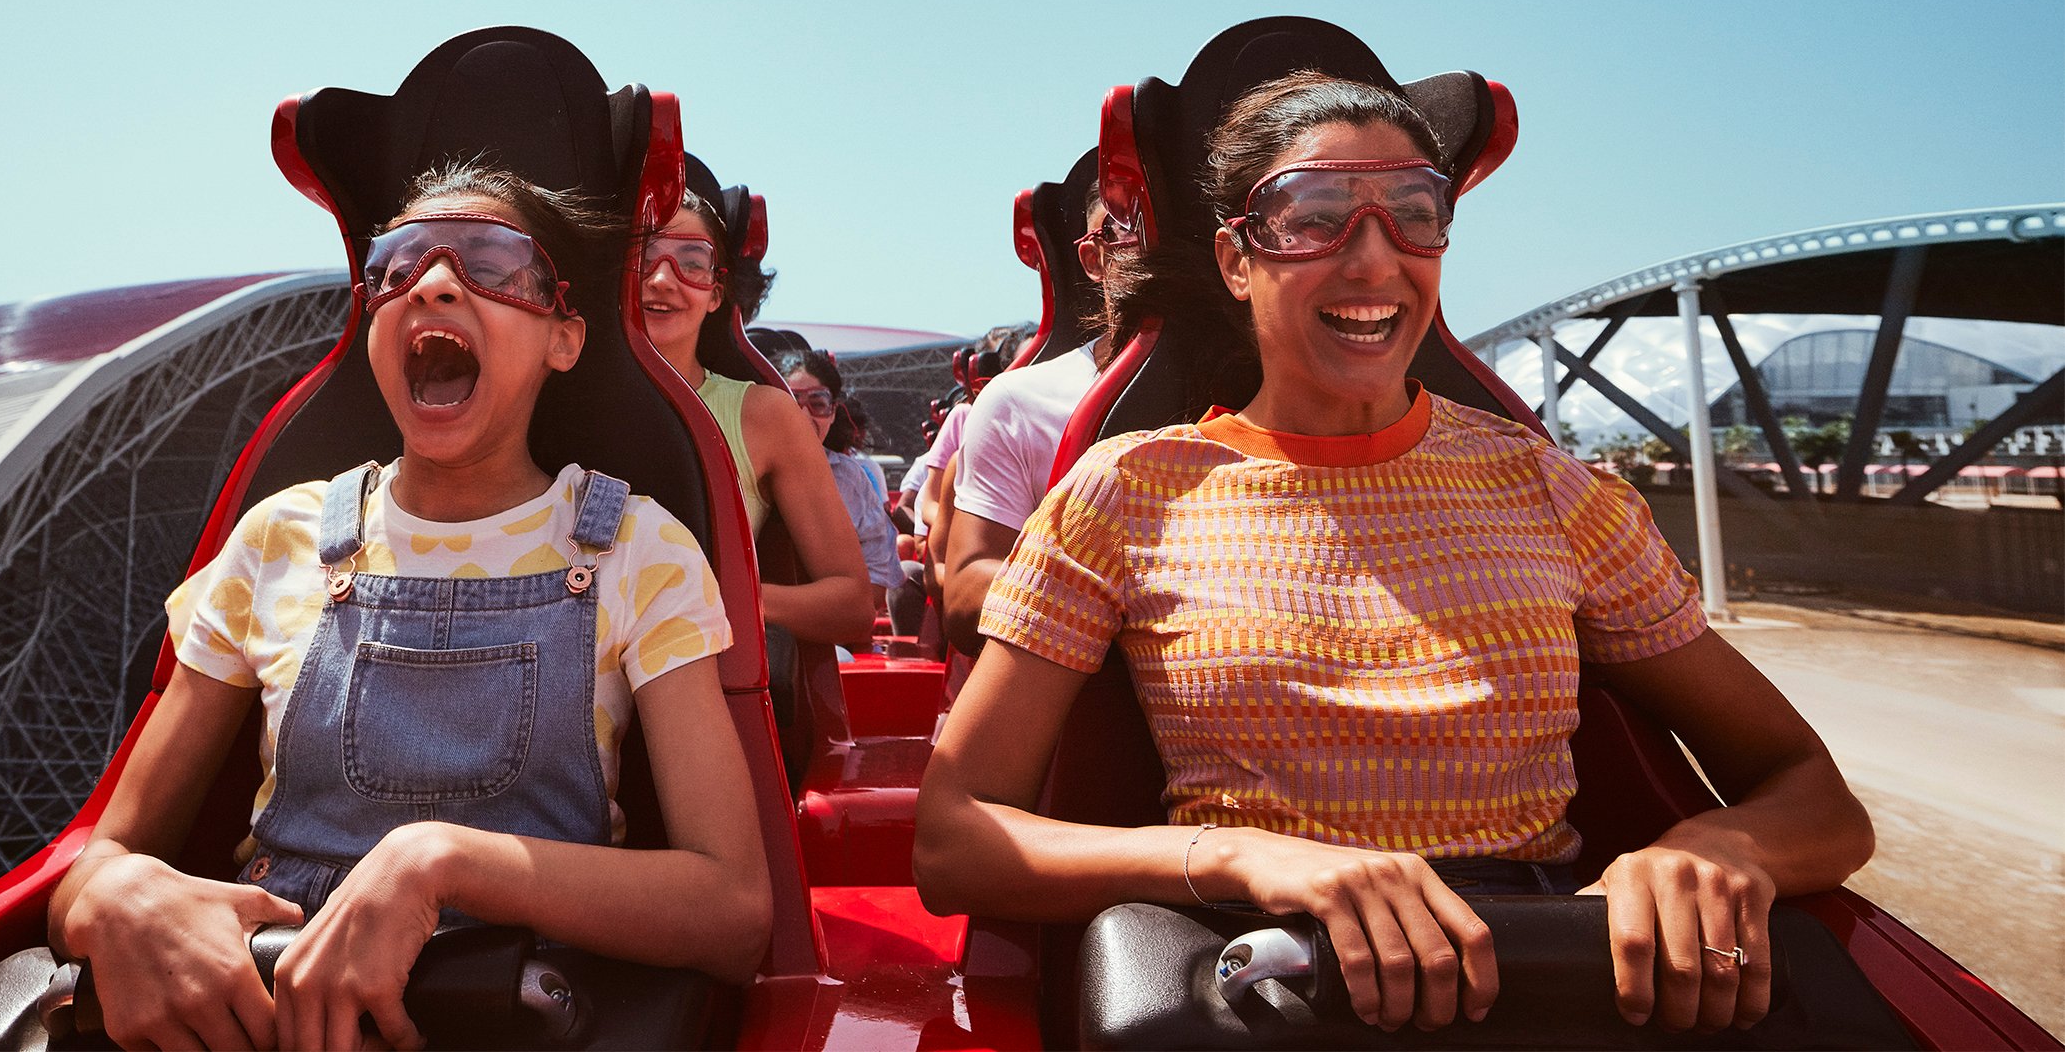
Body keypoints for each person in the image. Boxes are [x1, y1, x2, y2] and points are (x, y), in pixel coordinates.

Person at [915, 73, 1873, 1039]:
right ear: (1236, 261)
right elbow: (957, 838)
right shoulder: (1123, 494)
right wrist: (1242, 857)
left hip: (1548, 970)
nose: (1375, 262)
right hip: (1273, 980)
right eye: (1312, 216)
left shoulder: (1550, 489)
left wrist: (1713, 851)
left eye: (1417, 215)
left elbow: (1813, 793)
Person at [50, 162, 771, 1052]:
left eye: (493, 263)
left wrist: (440, 861)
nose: (433, 283)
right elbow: (96, 863)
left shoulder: (635, 548)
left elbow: (732, 911)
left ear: (564, 337)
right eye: (396, 267)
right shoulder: (279, 538)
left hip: (520, 1020)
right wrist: (121, 895)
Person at [636, 191, 875, 651]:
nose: (663, 279)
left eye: (692, 260)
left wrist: (716, 599)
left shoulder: (764, 415)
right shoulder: (541, 391)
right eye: (644, 256)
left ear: (716, 295)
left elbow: (851, 604)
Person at [938, 191, 1128, 655]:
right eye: (1123, 227)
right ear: (1093, 257)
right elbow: (963, 597)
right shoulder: (1018, 403)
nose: (1149, 241)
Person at [779, 347, 906, 619]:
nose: (803, 416)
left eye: (818, 403)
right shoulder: (741, 467)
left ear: (833, 412)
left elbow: (875, 585)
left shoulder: (852, 479)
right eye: (791, 400)